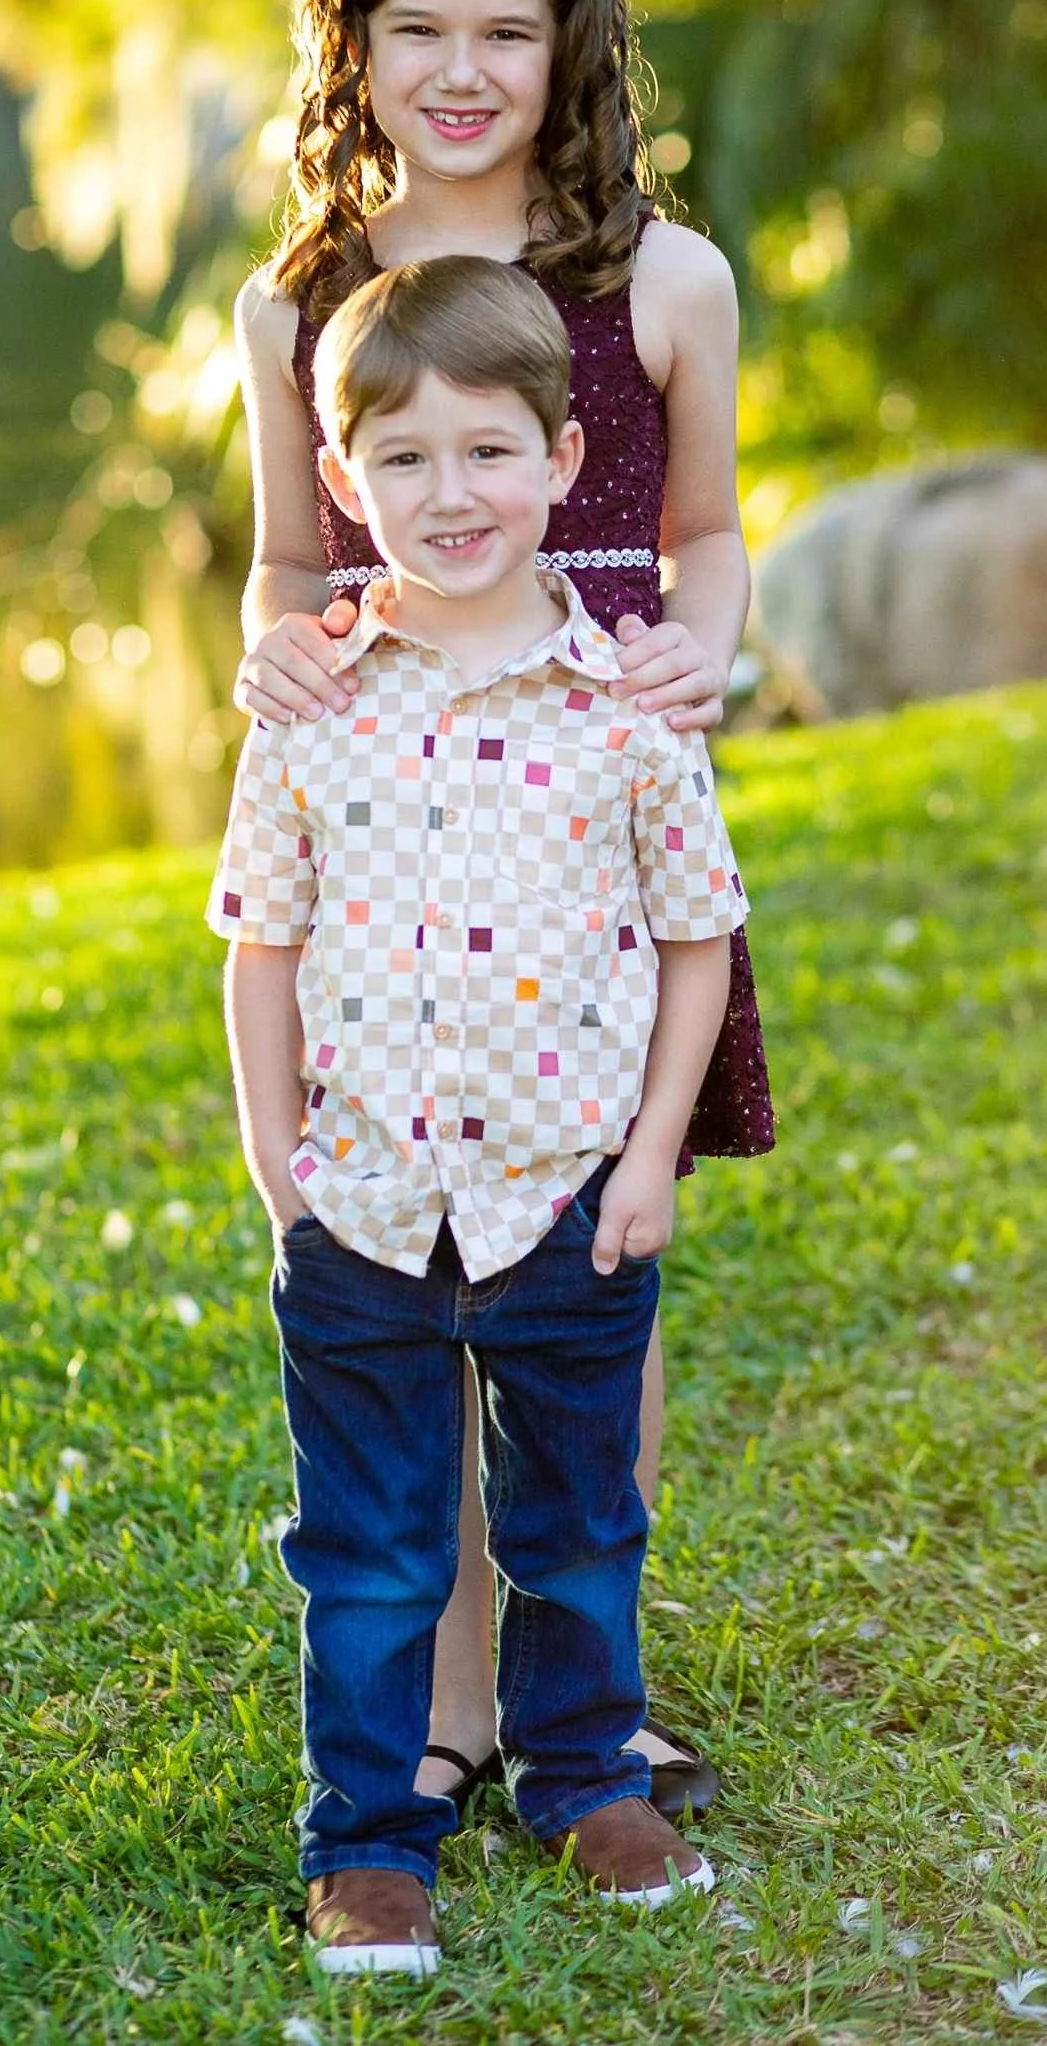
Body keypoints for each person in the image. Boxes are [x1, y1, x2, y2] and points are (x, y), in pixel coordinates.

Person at [229, 0, 774, 1820]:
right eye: (415, 30)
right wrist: (267, 660)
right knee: (404, 1275)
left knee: (588, 1273)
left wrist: (687, 656)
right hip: (394, 837)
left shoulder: (664, 278)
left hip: (595, 825)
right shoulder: (298, 305)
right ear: (352, 48)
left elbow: (703, 530)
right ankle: (444, 1703)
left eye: (505, 32)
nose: (460, 72)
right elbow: (289, 565)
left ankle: (584, 1694)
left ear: (571, 45)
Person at [210, 255, 750, 1972]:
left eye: (488, 452)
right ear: (343, 478)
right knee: (366, 1547)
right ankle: (370, 1837)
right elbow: (258, 950)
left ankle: (587, 1776)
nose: (451, 495)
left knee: (579, 1520)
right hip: (359, 1203)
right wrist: (274, 1171)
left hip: (565, 1198)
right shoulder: (309, 711)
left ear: (566, 457)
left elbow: (697, 942)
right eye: (406, 460)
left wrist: (651, 1157)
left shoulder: (627, 706)